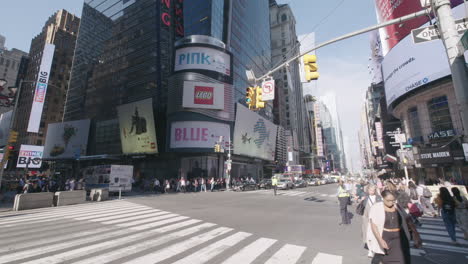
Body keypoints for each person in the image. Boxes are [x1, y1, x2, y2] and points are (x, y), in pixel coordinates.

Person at [367, 190, 422, 263]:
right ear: (382, 198)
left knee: (401, 260)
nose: (391, 203)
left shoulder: (398, 207)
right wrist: (380, 240)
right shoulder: (376, 207)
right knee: (383, 260)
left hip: (399, 239)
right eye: (388, 200)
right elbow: (373, 225)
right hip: (385, 238)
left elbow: (408, 220)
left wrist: (416, 234)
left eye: (393, 200)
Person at [361, 184, 382, 257]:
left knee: (375, 234)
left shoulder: (378, 198)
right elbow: (363, 207)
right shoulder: (366, 198)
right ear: (368, 190)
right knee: (368, 235)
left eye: (373, 190)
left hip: (376, 219)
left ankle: (374, 248)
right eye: (370, 190)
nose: (371, 191)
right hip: (367, 219)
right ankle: (370, 250)